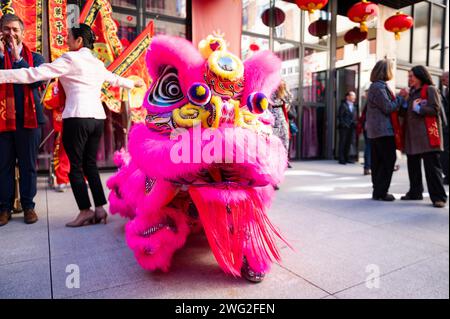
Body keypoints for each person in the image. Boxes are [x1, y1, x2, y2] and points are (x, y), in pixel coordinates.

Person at [0, 23, 144, 226]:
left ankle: (85, 211)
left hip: (77, 118)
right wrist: (132, 83)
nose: (66, 40)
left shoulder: (69, 59)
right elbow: (114, 79)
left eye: (68, 37)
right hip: (97, 119)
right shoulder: (96, 63)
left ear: (78, 41)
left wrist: (2, 75)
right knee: (90, 166)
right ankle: (100, 209)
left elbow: (34, 74)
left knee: (76, 167)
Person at [0, 14, 45, 226]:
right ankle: (4, 208)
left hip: (29, 121)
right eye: (6, 29)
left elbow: (36, 81)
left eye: (15, 30)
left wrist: (17, 60)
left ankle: (28, 206)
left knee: (28, 165)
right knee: (3, 166)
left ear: (22, 33)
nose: (11, 34)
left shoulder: (35, 58)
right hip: (2, 122)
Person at [400, 66, 447, 208]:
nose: (409, 79)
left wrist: (419, 109)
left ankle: (439, 197)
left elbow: (435, 109)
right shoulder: (412, 92)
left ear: (420, 76)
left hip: (427, 135)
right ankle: (415, 192)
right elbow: (405, 114)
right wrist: (404, 100)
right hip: (412, 136)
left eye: (411, 76)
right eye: (408, 77)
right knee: (413, 166)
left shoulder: (430, 90)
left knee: (432, 169)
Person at [366, 59, 401, 201]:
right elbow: (387, 107)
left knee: (378, 162)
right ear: (386, 71)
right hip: (383, 131)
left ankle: (378, 192)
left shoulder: (376, 86)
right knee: (387, 161)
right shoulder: (379, 87)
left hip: (377, 131)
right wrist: (400, 98)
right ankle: (381, 191)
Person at [338, 91, 357, 165]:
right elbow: (340, 116)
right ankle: (341, 158)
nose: (354, 97)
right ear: (348, 97)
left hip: (351, 127)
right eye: (352, 96)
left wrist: (355, 123)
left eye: (354, 96)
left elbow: (354, 117)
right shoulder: (343, 105)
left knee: (349, 143)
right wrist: (344, 124)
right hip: (344, 127)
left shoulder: (354, 106)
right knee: (343, 142)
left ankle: (347, 157)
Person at [357, 89, 371, 175]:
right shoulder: (370, 103)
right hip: (370, 128)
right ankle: (367, 167)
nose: (365, 96)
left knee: (368, 147)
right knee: (369, 148)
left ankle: (367, 167)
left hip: (367, 128)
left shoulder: (367, 103)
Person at [440, 71, 449, 185]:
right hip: (445, 127)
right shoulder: (444, 90)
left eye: (444, 78)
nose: (442, 81)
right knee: (444, 152)